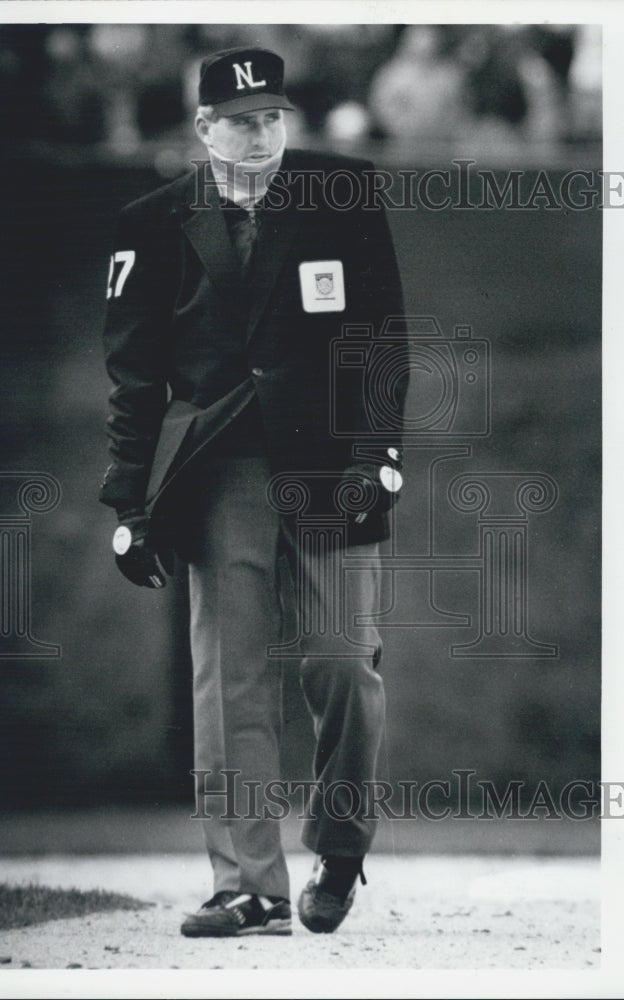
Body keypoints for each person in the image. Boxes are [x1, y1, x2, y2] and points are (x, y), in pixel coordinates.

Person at [99, 46, 408, 937]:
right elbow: (133, 376)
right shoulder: (152, 221)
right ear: (203, 128)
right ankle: (249, 886)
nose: (262, 133)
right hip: (220, 463)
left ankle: (340, 848)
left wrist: (378, 455)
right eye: (241, 120)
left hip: (330, 457)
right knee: (228, 678)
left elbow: (381, 336)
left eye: (273, 117)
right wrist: (127, 503)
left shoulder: (340, 195)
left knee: (343, 661)